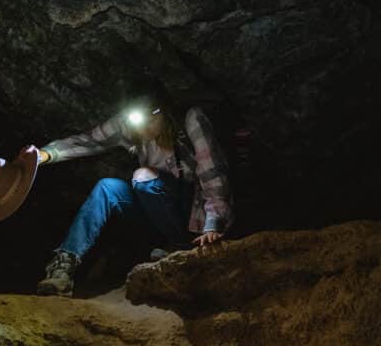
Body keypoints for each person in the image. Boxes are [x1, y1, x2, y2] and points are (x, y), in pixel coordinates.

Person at [25, 97, 233, 296]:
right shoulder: (130, 123)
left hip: (193, 215)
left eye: (151, 119)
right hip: (155, 212)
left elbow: (212, 172)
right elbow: (88, 141)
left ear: (164, 112)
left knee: (143, 177)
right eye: (138, 120)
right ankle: (64, 267)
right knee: (107, 187)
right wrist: (44, 155)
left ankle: (179, 246)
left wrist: (213, 225)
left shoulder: (189, 119)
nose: (143, 127)